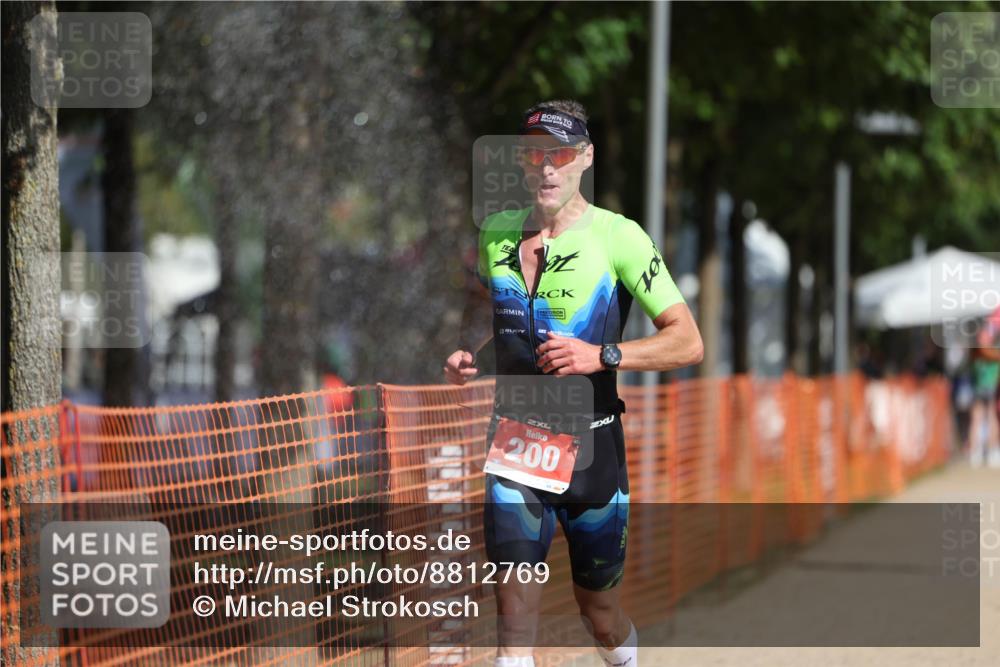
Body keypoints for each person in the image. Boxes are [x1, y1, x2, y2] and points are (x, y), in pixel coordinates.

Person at [443, 100, 703, 667]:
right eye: (534, 154)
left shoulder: (620, 237)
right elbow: (485, 300)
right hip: (515, 444)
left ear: (584, 158)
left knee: (598, 617)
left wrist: (602, 354)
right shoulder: (497, 234)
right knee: (513, 629)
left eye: (558, 153)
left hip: (593, 451)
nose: (546, 167)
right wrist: (469, 348)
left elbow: (687, 341)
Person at [969, 308, 1000, 467]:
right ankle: (991, 451)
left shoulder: (977, 353)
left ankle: (976, 453)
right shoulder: (992, 352)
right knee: (990, 417)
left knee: (978, 417)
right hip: (989, 385)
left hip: (979, 385)